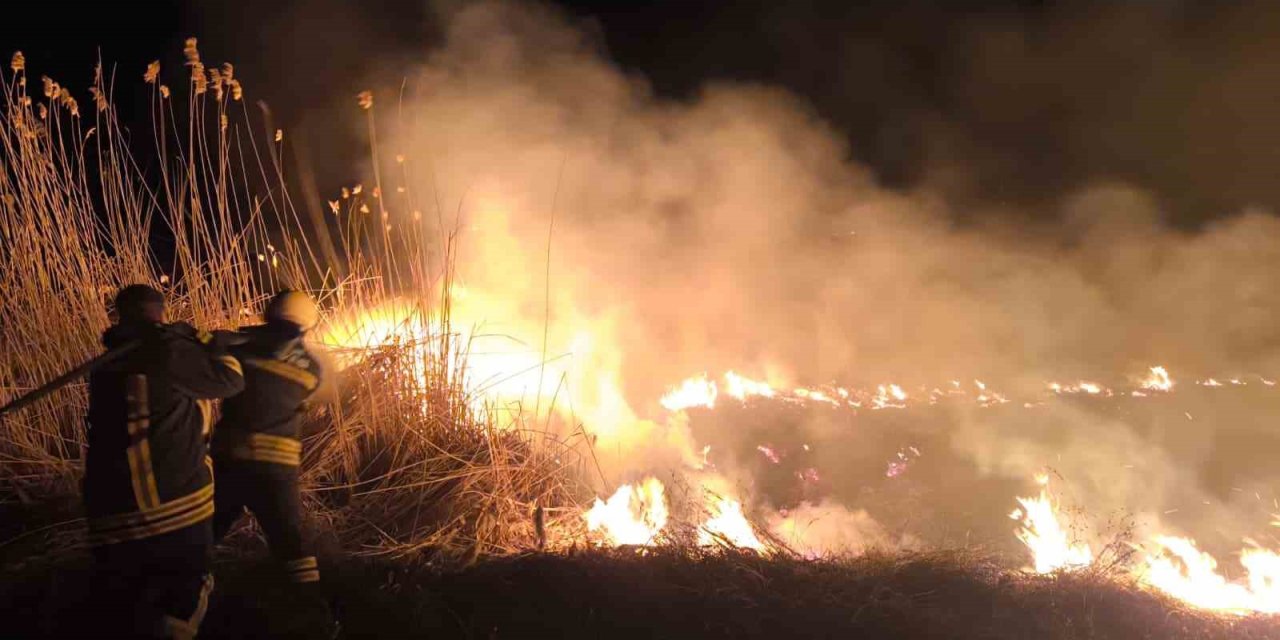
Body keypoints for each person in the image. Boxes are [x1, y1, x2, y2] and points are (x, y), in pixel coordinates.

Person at [84, 284, 245, 639]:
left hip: (110, 509)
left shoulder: (107, 362)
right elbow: (230, 382)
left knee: (128, 606)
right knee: (184, 595)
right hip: (172, 502)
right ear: (159, 311)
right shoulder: (167, 351)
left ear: (119, 316)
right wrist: (217, 347)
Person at [210, 290, 332, 620]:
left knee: (205, 534)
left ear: (269, 312)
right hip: (277, 469)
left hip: (232, 460)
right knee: (291, 544)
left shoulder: (242, 346)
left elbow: (222, 369)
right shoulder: (312, 368)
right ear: (308, 323)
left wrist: (217, 342)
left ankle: (177, 612)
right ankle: (315, 616)